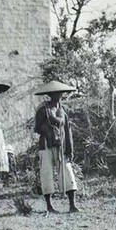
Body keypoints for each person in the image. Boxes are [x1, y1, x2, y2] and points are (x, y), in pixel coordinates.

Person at [33, 81, 79, 213]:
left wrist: (70, 148)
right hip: (46, 145)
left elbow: (67, 130)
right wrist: (47, 129)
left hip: (61, 145)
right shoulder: (43, 109)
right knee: (46, 174)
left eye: (60, 93)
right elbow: (36, 128)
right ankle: (49, 206)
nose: (59, 96)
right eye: (56, 93)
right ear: (50, 95)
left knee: (67, 172)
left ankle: (72, 205)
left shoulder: (63, 110)